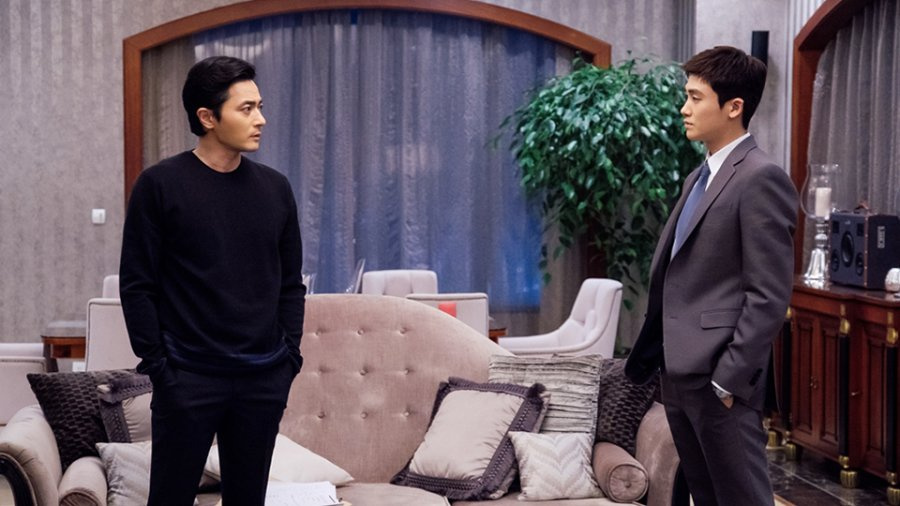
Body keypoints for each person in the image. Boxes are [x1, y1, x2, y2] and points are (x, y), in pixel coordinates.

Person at [119, 56, 305, 506]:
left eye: (260, 106)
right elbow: (137, 285)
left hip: (263, 378)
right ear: (207, 117)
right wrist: (161, 368)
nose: (260, 119)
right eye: (246, 108)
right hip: (188, 378)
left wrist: (288, 359)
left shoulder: (275, 188)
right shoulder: (159, 185)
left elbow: (290, 284)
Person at [624, 46, 797, 506]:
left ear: (734, 107)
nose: (684, 108)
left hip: (719, 380)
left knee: (742, 497)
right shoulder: (698, 177)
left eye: (696, 97)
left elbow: (768, 294)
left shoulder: (760, 178)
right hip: (679, 374)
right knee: (704, 497)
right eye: (687, 96)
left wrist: (728, 380)